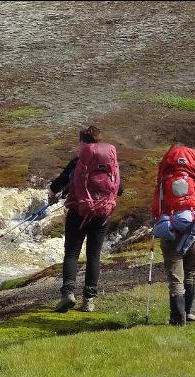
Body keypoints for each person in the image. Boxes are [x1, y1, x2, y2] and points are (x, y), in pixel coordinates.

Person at [49, 126, 123, 313]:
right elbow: (119, 189)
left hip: (78, 212)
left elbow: (56, 185)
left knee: (72, 254)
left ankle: (68, 294)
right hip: (102, 215)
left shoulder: (78, 162)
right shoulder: (110, 163)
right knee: (94, 256)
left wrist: (53, 194)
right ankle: (89, 300)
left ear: (82, 142)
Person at [150, 144, 195, 326]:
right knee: (192, 270)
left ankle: (178, 319)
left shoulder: (164, 181)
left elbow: (157, 207)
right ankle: (190, 312)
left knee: (175, 277)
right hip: (194, 229)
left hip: (170, 230)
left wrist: (157, 222)